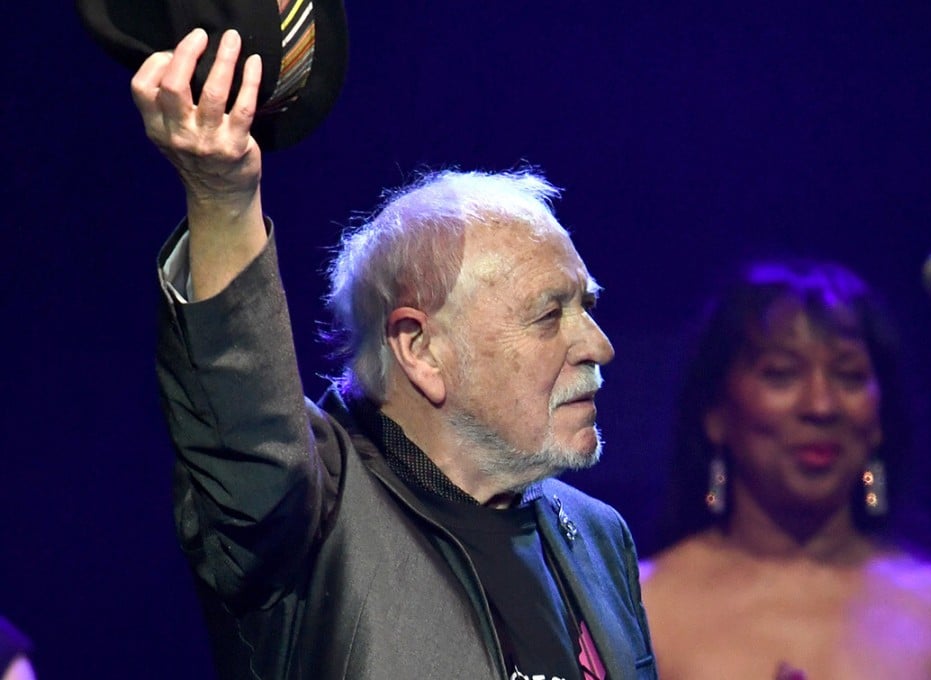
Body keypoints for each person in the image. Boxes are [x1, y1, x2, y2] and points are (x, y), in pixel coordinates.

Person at [131, 27, 657, 680]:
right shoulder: (312, 515)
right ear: (420, 348)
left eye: (589, 309)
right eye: (551, 315)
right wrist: (222, 200)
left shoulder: (599, 536)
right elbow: (242, 422)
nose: (598, 346)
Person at [639, 258, 931, 680]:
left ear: (879, 419)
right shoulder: (642, 605)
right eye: (782, 374)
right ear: (716, 413)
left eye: (849, 376)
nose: (821, 406)